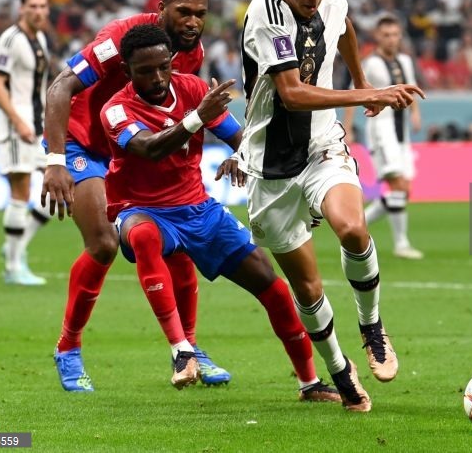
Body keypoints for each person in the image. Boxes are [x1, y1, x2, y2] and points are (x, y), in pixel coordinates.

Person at [237, 0, 424, 412]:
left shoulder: (330, 0)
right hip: (271, 167)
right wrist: (368, 94)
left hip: (322, 145)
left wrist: (359, 75)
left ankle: (372, 328)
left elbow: (345, 26)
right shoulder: (265, 14)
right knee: (309, 287)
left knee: (353, 228)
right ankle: (340, 369)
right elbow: (293, 93)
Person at [100, 24, 340, 400]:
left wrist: (240, 155)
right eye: (145, 71)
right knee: (143, 236)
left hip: (199, 210)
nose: (158, 77)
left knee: (274, 287)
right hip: (142, 209)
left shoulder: (194, 90)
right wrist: (196, 118)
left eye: (163, 66)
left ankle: (309, 382)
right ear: (127, 71)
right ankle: (182, 350)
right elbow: (149, 149)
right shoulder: (115, 110)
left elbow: (240, 137)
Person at [40, 0, 230, 391]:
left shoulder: (191, 53)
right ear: (161, 9)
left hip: (132, 149)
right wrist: (55, 160)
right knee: (104, 244)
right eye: (184, 11)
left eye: (201, 13)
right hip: (83, 145)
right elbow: (59, 88)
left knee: (176, 240)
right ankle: (68, 348)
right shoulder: (118, 39)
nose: (193, 21)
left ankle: (190, 349)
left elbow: (176, 115)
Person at [343, 14, 424, 260]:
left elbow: (409, 86)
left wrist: (415, 113)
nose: (391, 39)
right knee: (397, 185)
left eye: (395, 34)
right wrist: (347, 128)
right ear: (378, 36)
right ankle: (401, 243)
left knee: (404, 189)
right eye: (386, 34)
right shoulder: (370, 63)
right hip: (381, 128)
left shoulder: (405, 61)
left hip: (402, 131)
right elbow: (352, 93)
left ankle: (356, 225)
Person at [0, 0, 52, 286]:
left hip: (39, 125)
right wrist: (18, 121)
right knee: (21, 191)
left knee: (60, 190)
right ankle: (13, 267)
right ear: (21, 8)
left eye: (43, 6)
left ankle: (17, 244)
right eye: (33, 6)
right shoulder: (10, 40)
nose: (39, 11)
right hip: (17, 126)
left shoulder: (40, 39)